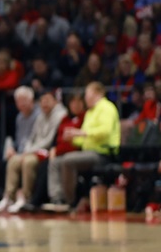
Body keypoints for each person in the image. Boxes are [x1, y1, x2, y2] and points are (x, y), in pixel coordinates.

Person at [41, 81, 120, 212]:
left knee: (68, 161)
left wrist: (80, 133)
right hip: (88, 152)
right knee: (56, 162)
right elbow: (84, 139)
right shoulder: (90, 112)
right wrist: (72, 138)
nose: (85, 98)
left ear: (97, 93)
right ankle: (57, 198)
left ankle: (69, 201)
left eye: (87, 94)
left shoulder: (107, 107)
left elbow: (104, 132)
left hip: (103, 153)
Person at [0, 88, 66, 213]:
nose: (44, 103)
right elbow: (32, 137)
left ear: (55, 101)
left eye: (47, 100)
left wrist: (30, 151)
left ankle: (26, 196)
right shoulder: (41, 115)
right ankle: (9, 197)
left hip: (46, 151)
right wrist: (27, 150)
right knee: (14, 160)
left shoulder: (60, 115)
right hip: (33, 150)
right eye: (42, 101)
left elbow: (49, 140)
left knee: (28, 162)